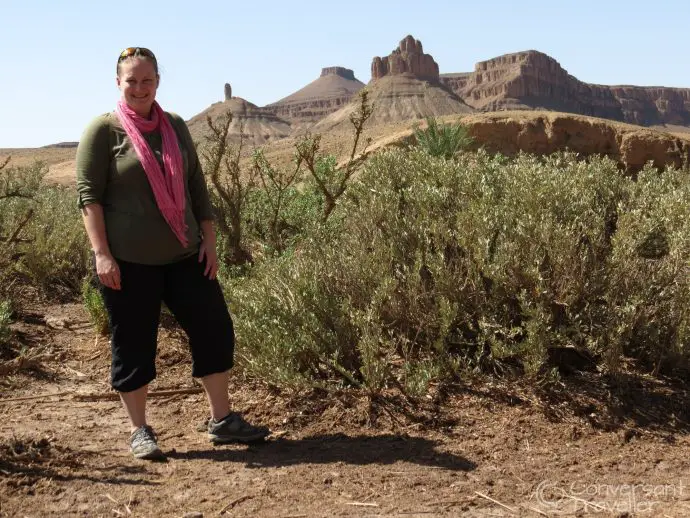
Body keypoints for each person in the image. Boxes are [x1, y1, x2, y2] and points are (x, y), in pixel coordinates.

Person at [76, 47, 269, 460]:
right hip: (129, 262)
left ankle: (222, 420)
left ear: (158, 82)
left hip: (186, 255)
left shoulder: (175, 126)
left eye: (147, 80)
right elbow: (89, 198)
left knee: (214, 328)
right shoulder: (103, 132)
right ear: (118, 83)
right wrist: (101, 254)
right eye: (132, 80)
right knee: (134, 343)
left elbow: (196, 186)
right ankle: (140, 430)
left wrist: (210, 241)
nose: (140, 88)